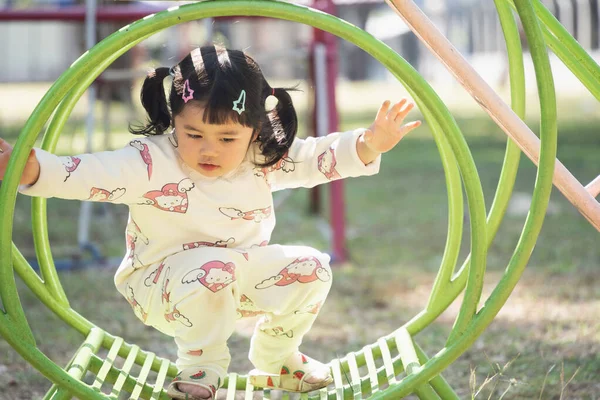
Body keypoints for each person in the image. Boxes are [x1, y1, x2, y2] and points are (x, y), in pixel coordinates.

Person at [0, 45, 421, 399]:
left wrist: (368, 144)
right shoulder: (150, 162)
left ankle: (278, 358)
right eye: (193, 133)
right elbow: (87, 173)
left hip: (235, 282)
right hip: (160, 286)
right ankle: (201, 368)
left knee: (313, 267)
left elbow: (315, 158)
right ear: (174, 122)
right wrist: (31, 167)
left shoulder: (261, 158)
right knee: (211, 270)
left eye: (226, 139)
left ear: (255, 131)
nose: (209, 150)